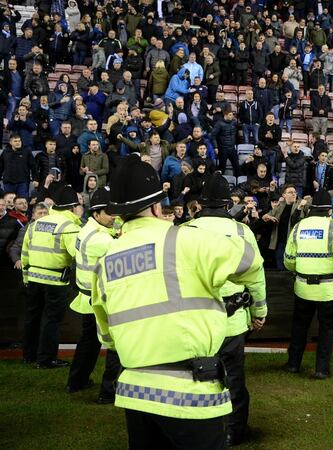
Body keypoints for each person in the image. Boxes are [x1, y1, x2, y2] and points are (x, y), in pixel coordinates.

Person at [90, 156, 266, 449]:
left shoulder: (105, 262)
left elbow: (107, 335)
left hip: (136, 392)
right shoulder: (185, 240)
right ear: (158, 206)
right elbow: (250, 261)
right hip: (189, 393)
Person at [183, 173, 268, 446]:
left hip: (194, 321)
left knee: (197, 377)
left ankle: (200, 429)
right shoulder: (242, 232)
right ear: (227, 203)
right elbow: (256, 278)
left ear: (201, 203)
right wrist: (259, 312)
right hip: (231, 323)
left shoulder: (183, 231)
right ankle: (234, 432)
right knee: (233, 379)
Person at [284, 190, 333, 379]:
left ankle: (293, 365)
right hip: (328, 290)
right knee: (327, 330)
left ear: (312, 208)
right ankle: (321, 369)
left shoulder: (299, 226)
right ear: (329, 210)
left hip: (302, 288)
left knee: (299, 327)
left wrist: (297, 270)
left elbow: (288, 259)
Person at [65, 186, 122, 403]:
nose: (114, 217)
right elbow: (124, 248)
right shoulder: (100, 239)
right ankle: (108, 392)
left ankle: (76, 381)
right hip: (102, 300)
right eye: (110, 212)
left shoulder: (87, 229)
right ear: (96, 214)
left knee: (88, 342)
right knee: (115, 344)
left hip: (88, 298)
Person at [21, 182, 82, 368]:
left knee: (32, 317)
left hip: (32, 278)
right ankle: (46, 359)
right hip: (55, 281)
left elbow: (25, 252)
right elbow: (77, 254)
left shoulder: (35, 224)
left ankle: (29, 355)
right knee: (51, 320)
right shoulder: (69, 226)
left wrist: (25, 276)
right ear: (72, 207)